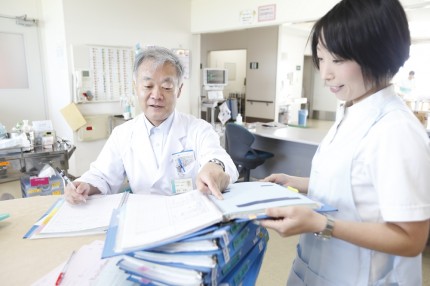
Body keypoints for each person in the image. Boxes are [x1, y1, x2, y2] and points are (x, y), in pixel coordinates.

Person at [260, 0, 430, 285]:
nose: (325, 72)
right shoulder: (351, 110)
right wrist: (294, 181)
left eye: (337, 60)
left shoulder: (396, 130)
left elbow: (411, 239)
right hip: (320, 267)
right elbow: (351, 185)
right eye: (321, 58)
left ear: (378, 54)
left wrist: (321, 223)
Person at [65, 46, 238, 204]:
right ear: (136, 87)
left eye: (167, 87)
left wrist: (214, 166)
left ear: (179, 89)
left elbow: (219, 159)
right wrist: (84, 185)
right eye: (148, 85)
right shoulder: (123, 134)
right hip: (142, 219)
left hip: (189, 216)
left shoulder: (198, 129)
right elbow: (101, 176)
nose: (156, 95)